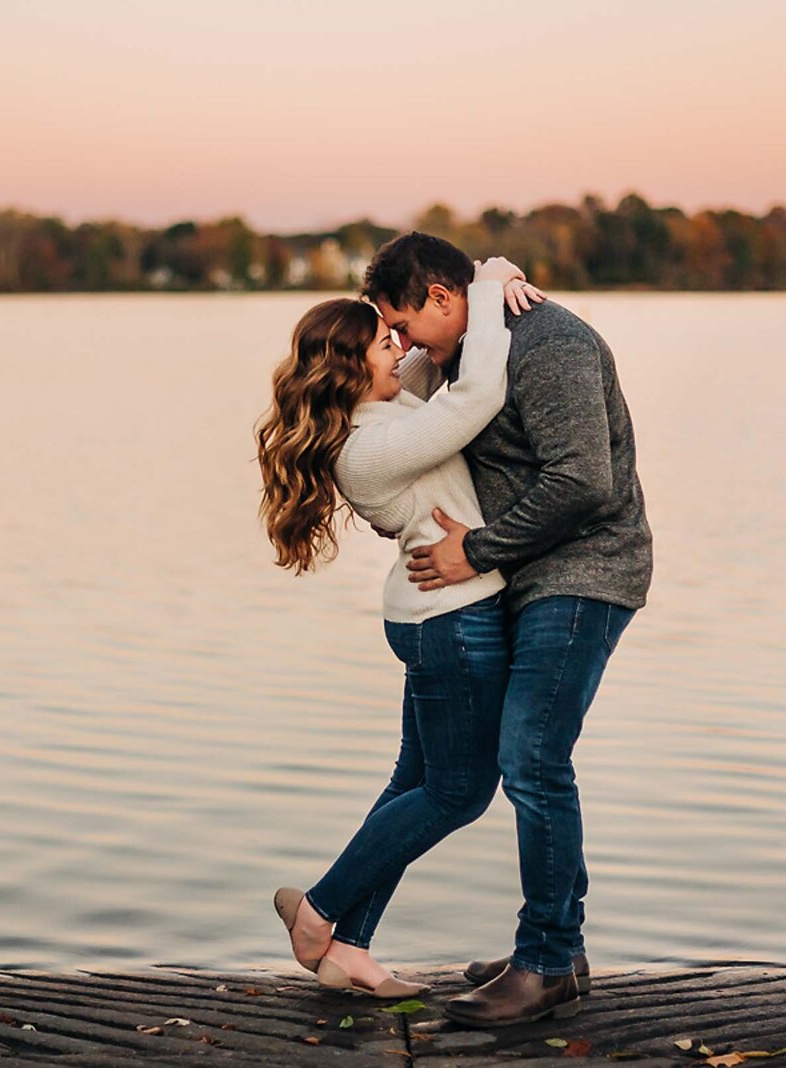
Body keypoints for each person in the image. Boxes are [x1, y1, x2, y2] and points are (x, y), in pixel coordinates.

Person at [363, 232, 652, 1027]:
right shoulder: (463, 346)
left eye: (403, 324)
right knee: (523, 756)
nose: (398, 343)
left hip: (586, 570)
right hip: (520, 580)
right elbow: (385, 402)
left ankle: (547, 961)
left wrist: (476, 552)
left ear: (441, 300)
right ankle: (561, 945)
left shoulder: (550, 343)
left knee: (530, 755)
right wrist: (492, 276)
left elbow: (585, 481)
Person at [256, 257, 544, 998]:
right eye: (385, 344)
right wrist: (484, 290)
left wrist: (480, 292)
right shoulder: (373, 446)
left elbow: (428, 361)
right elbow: (478, 390)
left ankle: (350, 947)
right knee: (458, 794)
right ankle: (320, 911)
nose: (400, 347)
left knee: (414, 782)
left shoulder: (381, 412)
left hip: (437, 618)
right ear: (353, 373)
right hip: (451, 622)